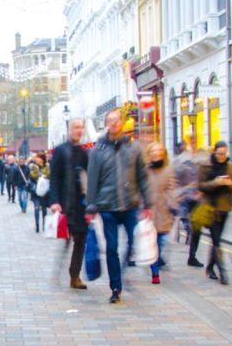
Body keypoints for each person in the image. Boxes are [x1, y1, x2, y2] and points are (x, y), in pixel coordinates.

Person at [86, 109, 152, 304]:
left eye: (117, 120)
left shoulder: (133, 148)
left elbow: (142, 177)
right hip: (107, 207)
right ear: (106, 124)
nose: (114, 124)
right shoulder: (98, 149)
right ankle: (116, 287)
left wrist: (147, 203)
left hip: (130, 204)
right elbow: (92, 179)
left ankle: (124, 269)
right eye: (110, 121)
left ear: (122, 123)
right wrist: (91, 206)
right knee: (112, 248)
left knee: (135, 242)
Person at [49, 118, 90, 289]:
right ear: (69, 129)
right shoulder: (60, 151)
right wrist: (55, 201)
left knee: (80, 240)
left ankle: (74, 275)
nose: (78, 130)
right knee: (66, 239)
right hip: (66, 203)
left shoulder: (85, 152)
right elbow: (54, 178)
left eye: (81, 127)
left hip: (81, 204)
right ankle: (58, 270)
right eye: (75, 127)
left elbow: (90, 177)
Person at [199, 141, 232, 285]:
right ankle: (223, 272)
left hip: (225, 208)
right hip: (211, 209)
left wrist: (230, 184)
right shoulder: (206, 166)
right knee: (216, 241)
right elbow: (201, 185)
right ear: (214, 152)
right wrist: (215, 182)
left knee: (217, 240)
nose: (222, 156)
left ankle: (209, 267)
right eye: (219, 153)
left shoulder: (230, 167)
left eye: (224, 154)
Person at [144, 142, 179, 285]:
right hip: (149, 211)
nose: (156, 154)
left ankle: (156, 262)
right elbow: (140, 189)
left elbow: (172, 188)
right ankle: (155, 273)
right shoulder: (145, 170)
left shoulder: (168, 170)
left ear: (163, 154)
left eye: (159, 151)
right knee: (152, 243)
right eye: (153, 151)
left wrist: (173, 204)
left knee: (161, 241)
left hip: (164, 211)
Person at [172, 137, 210, 267]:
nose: (194, 143)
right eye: (191, 142)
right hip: (184, 197)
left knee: (196, 228)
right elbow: (175, 177)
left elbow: (207, 175)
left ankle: (192, 256)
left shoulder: (203, 157)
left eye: (195, 141)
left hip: (198, 197)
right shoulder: (182, 159)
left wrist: (203, 190)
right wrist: (177, 194)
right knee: (185, 222)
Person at [28, 153, 49, 233]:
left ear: (42, 159)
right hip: (35, 191)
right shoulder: (33, 166)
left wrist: (44, 176)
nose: (36, 159)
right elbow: (31, 176)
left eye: (38, 158)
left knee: (44, 209)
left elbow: (49, 175)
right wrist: (38, 172)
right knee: (36, 207)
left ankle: (44, 225)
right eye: (36, 158)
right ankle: (37, 226)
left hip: (44, 191)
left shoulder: (47, 166)